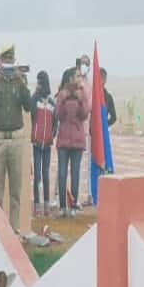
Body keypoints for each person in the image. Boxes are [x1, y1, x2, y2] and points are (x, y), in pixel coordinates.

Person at [0, 44, 33, 231]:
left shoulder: (20, 81)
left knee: (15, 189)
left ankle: (15, 229)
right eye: (5, 59)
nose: (8, 63)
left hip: (16, 137)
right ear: (1, 62)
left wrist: (21, 82)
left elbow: (29, 106)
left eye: (11, 59)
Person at [55, 70, 89, 218]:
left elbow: (85, 114)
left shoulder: (82, 92)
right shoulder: (61, 93)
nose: (79, 78)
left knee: (75, 174)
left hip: (77, 140)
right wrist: (62, 101)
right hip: (63, 140)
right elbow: (58, 115)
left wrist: (81, 100)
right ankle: (62, 206)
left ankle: (73, 206)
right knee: (62, 174)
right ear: (69, 78)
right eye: (76, 76)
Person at [30, 71, 57, 217]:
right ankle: (36, 205)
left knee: (45, 175)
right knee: (38, 175)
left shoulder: (52, 102)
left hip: (46, 144)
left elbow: (55, 122)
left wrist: (52, 135)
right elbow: (30, 115)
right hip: (36, 142)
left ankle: (46, 205)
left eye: (39, 82)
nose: (38, 84)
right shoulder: (34, 100)